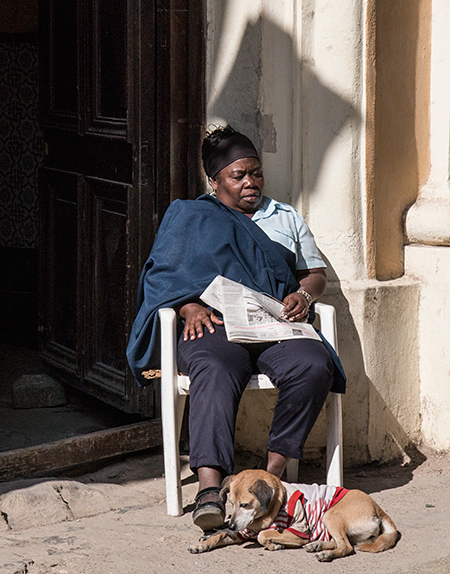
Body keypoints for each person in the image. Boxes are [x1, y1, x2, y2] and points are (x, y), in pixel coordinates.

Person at [126, 125, 346, 532]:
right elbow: (163, 276)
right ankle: (209, 488)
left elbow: (314, 274)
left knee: (314, 365)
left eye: (256, 173)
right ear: (215, 182)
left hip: (275, 322)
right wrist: (188, 305)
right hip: (215, 325)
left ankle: (270, 477)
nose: (251, 183)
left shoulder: (284, 216)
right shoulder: (191, 216)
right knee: (214, 366)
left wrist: (304, 295)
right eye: (238, 175)